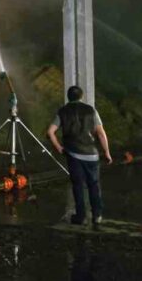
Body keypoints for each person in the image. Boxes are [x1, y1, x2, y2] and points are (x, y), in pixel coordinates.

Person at [46, 85, 112, 227]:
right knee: (94, 185)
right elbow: (101, 133)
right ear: (81, 96)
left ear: (68, 96)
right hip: (92, 154)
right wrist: (106, 152)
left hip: (73, 154)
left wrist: (59, 148)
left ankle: (80, 216)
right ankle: (97, 215)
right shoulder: (91, 110)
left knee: (78, 186)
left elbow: (50, 132)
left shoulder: (63, 112)